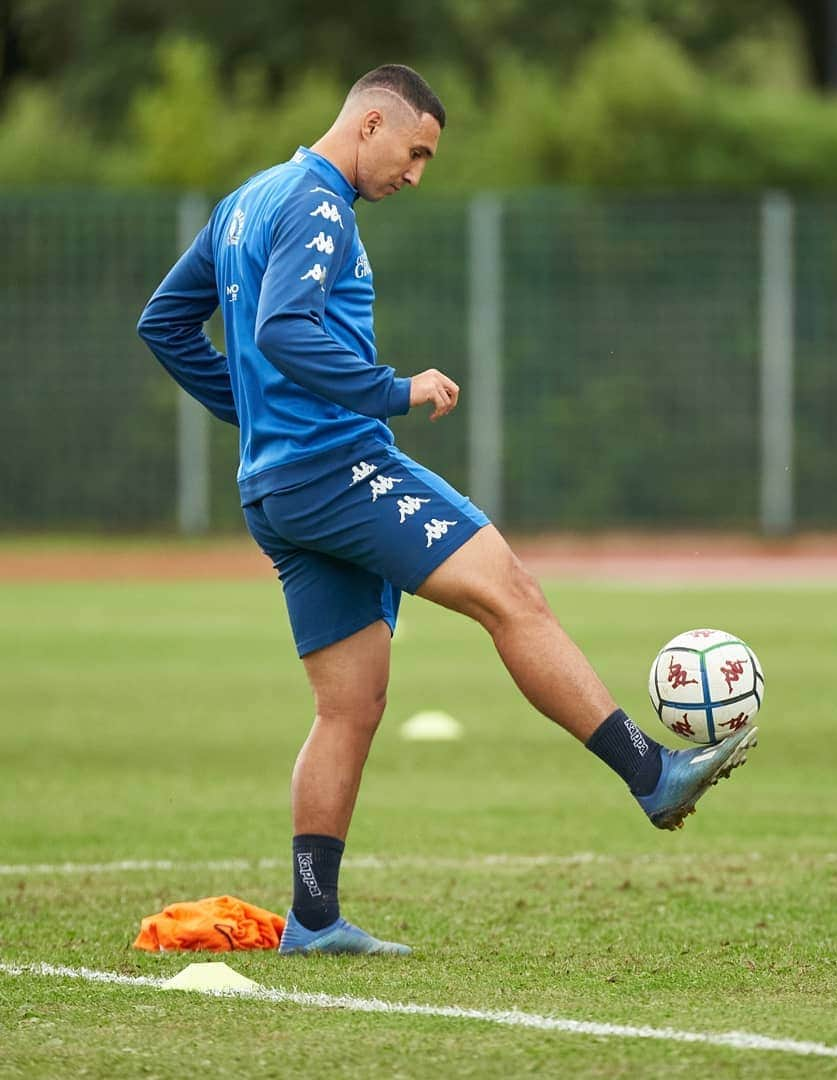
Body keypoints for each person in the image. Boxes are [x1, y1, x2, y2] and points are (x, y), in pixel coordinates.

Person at [137, 64, 756, 957]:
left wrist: (252, 409)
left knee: (348, 704)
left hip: (274, 486)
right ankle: (650, 771)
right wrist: (391, 390)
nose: (415, 174)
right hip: (337, 468)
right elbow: (280, 329)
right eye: (414, 151)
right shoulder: (317, 203)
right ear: (371, 120)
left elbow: (164, 322)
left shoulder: (246, 200)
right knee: (511, 592)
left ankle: (313, 918)